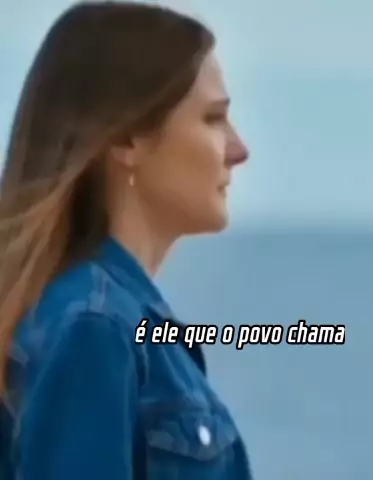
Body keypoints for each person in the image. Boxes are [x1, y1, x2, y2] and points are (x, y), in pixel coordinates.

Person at [0, 2, 252, 479]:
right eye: (213, 118)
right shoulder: (95, 327)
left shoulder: (112, 319)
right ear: (128, 140)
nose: (239, 150)